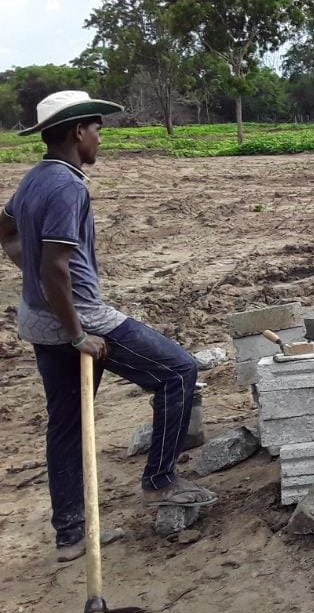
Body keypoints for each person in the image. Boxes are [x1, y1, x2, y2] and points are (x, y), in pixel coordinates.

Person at [0, 91, 216, 562]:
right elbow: (57, 265)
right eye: (98, 130)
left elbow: (7, 231)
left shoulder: (34, 178)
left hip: (39, 320)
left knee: (67, 424)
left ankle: (71, 534)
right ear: (78, 131)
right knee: (178, 371)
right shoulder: (67, 186)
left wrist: (32, 275)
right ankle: (160, 481)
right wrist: (77, 331)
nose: (101, 139)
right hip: (79, 320)